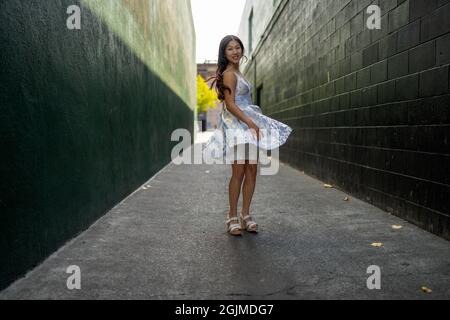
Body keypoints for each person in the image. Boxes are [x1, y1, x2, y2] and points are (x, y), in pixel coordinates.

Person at [203, 35, 293, 236]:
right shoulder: (228, 74)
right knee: (239, 171)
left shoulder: (240, 73)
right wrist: (250, 122)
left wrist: (255, 121)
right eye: (230, 49)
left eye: (237, 48)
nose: (235, 51)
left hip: (248, 124)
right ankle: (232, 216)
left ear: (242, 50)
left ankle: (246, 214)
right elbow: (230, 104)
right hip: (237, 126)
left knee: (252, 170)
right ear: (224, 53)